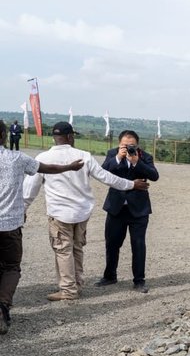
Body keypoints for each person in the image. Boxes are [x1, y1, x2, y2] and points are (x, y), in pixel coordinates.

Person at [23, 122, 150, 301]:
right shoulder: (84, 156)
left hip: (59, 214)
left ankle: (68, 290)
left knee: (63, 250)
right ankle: (77, 284)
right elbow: (107, 177)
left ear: (54, 137)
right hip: (81, 213)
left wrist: (23, 208)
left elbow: (29, 190)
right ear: (70, 137)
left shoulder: (43, 157)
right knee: (76, 248)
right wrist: (131, 184)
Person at [0, 121, 84, 333]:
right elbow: (47, 168)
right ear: (4, 135)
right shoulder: (17, 159)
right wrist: (70, 167)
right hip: (9, 225)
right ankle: (2, 306)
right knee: (11, 268)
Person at [94, 130, 159, 293]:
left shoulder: (145, 156)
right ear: (119, 144)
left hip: (139, 210)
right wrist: (118, 157)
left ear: (137, 145)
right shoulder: (112, 154)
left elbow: (154, 176)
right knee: (112, 243)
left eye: (131, 145)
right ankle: (110, 276)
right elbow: (102, 172)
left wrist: (137, 162)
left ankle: (139, 280)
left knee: (138, 245)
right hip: (116, 207)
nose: (128, 148)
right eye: (124, 145)